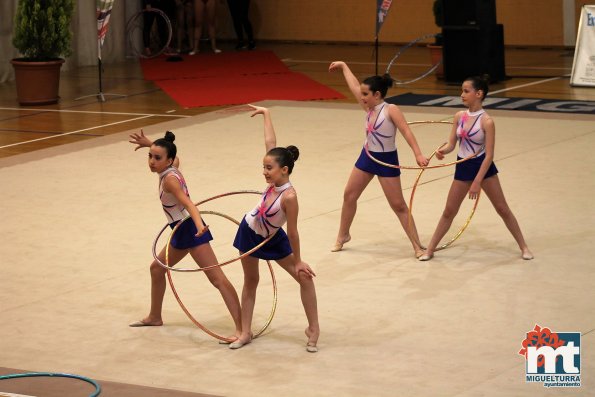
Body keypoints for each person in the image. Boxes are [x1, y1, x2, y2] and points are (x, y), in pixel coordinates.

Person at [128, 130, 242, 341]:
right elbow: (173, 155)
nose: (152, 161)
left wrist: (199, 226)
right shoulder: (173, 166)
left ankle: (242, 329)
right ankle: (154, 316)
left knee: (217, 279)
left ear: (168, 160)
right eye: (150, 156)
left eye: (157, 157)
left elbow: (189, 204)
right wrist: (149, 143)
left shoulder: (169, 181)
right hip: (181, 231)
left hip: (190, 230)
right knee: (156, 268)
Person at [229, 105, 320, 353]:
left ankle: (313, 328)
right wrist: (266, 114)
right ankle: (245, 332)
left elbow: (293, 232)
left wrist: (299, 260)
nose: (264, 172)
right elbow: (271, 141)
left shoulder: (289, 196)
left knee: (304, 277)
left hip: (273, 237)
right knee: (251, 280)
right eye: (264, 167)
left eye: (269, 168)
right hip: (249, 231)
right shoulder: (275, 175)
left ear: (285, 170)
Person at [418, 76, 534, 261]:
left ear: (478, 94)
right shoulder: (459, 116)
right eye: (462, 90)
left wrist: (477, 182)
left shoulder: (487, 121)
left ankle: (524, 247)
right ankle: (430, 249)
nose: (462, 94)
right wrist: (443, 151)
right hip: (463, 166)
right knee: (449, 211)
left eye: (466, 91)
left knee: (502, 208)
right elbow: (451, 143)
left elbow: (489, 155)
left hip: (483, 167)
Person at [328, 61, 429, 258]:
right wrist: (343, 66)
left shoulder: (391, 109)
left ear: (377, 95)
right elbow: (354, 85)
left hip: (387, 160)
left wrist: (417, 153)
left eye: (365, 94)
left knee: (398, 205)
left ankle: (417, 245)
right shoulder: (369, 108)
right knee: (349, 195)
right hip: (368, 156)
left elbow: (406, 131)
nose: (361, 96)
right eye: (362, 94)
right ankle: (343, 235)